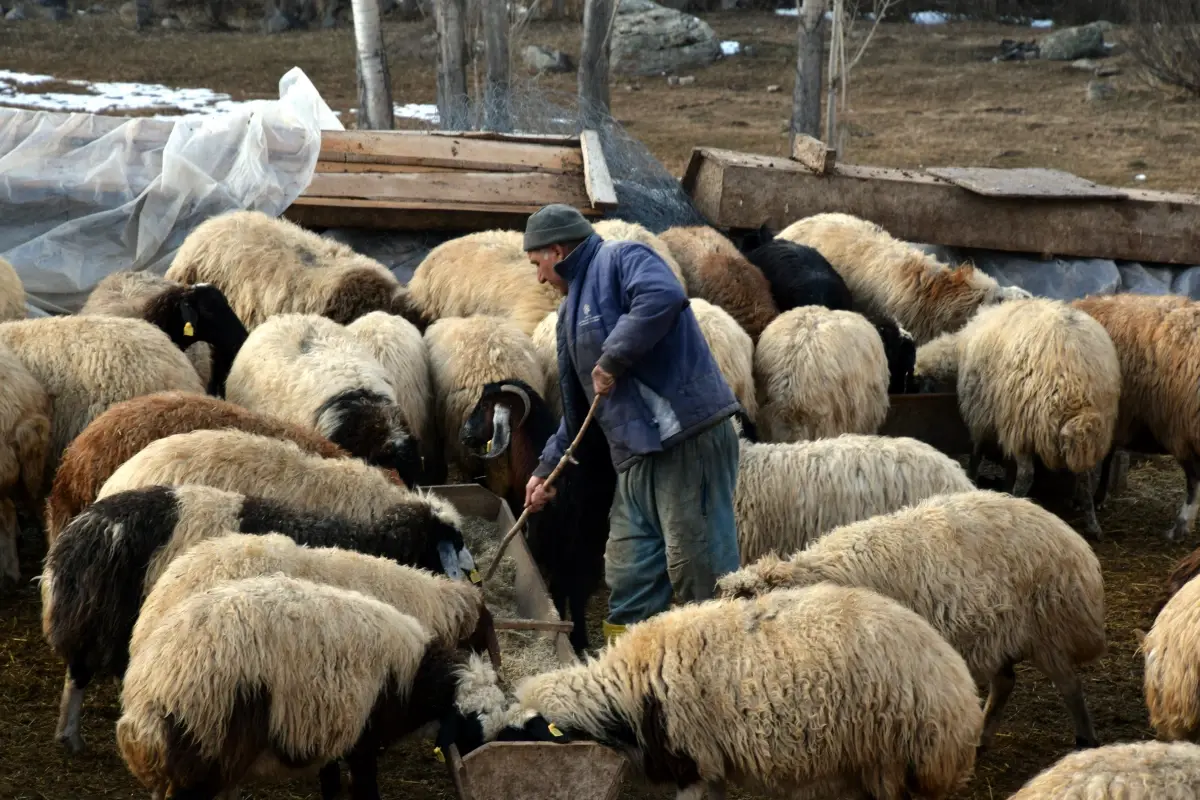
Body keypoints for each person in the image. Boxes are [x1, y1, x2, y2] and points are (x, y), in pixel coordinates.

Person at [521, 204, 742, 645]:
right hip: (636, 456)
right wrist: (546, 469)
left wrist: (613, 357)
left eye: (537, 265)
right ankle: (631, 679)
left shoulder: (623, 259)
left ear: (557, 250)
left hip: (684, 439)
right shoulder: (569, 313)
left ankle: (721, 664)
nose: (539, 278)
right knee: (629, 571)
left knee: (698, 568)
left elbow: (662, 296)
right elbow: (579, 408)